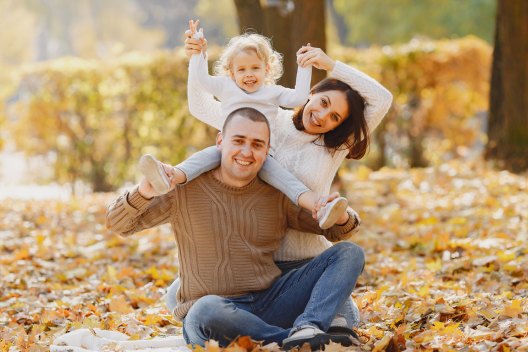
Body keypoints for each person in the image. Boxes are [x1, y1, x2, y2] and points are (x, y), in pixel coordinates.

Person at [167, 27, 394, 331]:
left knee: (342, 310)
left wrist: (330, 64)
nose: (323, 117)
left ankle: (313, 319)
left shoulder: (332, 146)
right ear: (312, 94)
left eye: (335, 117)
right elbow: (200, 106)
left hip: (306, 265)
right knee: (176, 293)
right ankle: (276, 329)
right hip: (257, 267)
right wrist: (198, 56)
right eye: (324, 103)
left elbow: (381, 99)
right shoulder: (264, 118)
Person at [106, 107, 364, 350]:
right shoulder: (184, 190)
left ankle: (308, 329)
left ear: (266, 151)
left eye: (257, 145)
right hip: (214, 315)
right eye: (238, 141)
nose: (247, 152)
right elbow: (118, 225)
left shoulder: (276, 194)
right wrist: (142, 192)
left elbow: (335, 230)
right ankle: (290, 340)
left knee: (350, 253)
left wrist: (340, 214)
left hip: (269, 301)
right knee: (205, 309)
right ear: (220, 142)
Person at [140, 20, 351, 230]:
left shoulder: (272, 92)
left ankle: (320, 207)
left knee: (288, 182)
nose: (248, 74)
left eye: (255, 68)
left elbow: (298, 99)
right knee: (201, 159)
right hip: (228, 148)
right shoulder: (226, 86)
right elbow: (202, 80)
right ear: (231, 73)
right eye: (241, 69)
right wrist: (198, 53)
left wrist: (304, 67)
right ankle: (167, 176)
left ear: (267, 70)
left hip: (263, 154)